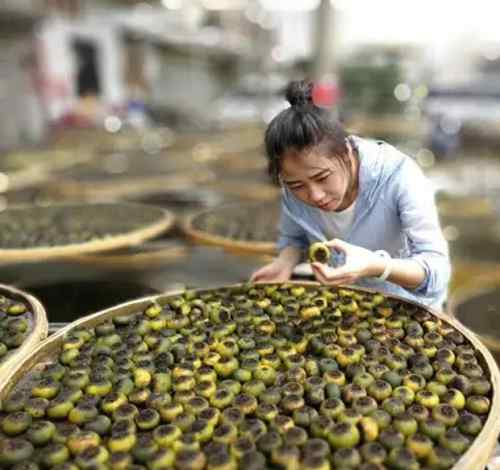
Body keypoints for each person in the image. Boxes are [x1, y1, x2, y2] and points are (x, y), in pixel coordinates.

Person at [250, 80, 451, 310]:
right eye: (296, 185)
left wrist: (378, 267)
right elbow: (295, 237)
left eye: (322, 177)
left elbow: (437, 274)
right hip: (345, 307)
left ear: (346, 151)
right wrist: (284, 263)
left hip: (407, 312)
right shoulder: (292, 185)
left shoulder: (399, 177)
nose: (314, 195)